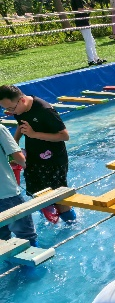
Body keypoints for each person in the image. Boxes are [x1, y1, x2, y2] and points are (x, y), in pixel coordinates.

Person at [0, 85, 76, 222]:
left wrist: (34, 134)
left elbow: (64, 136)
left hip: (54, 159)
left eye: (11, 108)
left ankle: (72, 223)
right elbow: (21, 125)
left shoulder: (44, 110)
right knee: (36, 191)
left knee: (58, 194)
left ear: (22, 100)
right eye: (6, 109)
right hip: (33, 155)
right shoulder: (19, 108)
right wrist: (13, 144)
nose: (10, 112)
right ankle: (50, 217)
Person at [0, 124, 37, 247]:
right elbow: (17, 155)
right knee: (27, 236)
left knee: (2, 240)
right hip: (7, 194)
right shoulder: (0, 129)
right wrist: (27, 166)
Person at [70, 0, 105, 66]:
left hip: (83, 21)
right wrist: (91, 7)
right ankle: (91, 60)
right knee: (89, 41)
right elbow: (81, 11)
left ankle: (96, 59)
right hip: (82, 21)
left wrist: (93, 1)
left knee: (92, 41)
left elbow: (86, 5)